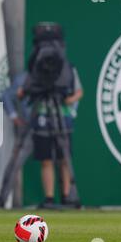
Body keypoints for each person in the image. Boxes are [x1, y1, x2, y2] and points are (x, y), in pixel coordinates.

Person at [20, 22, 83, 209]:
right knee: (46, 158)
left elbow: (79, 91)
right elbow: (25, 90)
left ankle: (67, 196)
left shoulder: (68, 69)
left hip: (63, 116)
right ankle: (49, 197)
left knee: (64, 158)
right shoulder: (35, 70)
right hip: (41, 115)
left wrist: (70, 100)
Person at [0, 71, 33, 208]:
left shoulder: (57, 76)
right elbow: (6, 95)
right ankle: (2, 199)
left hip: (50, 125)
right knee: (15, 163)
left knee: (58, 163)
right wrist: (14, 116)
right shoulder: (25, 77)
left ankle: (67, 198)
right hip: (30, 127)